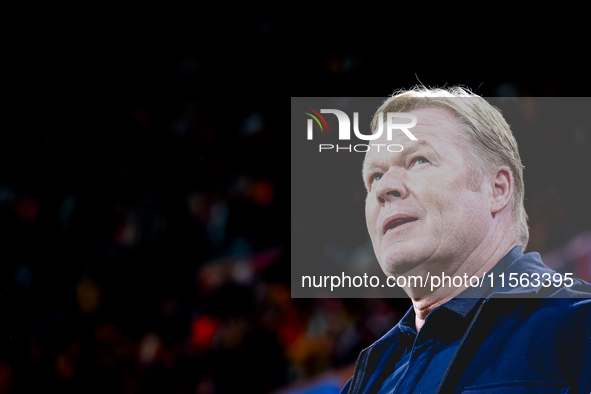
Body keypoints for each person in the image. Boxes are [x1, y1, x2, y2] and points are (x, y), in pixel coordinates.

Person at [340, 87, 591, 394]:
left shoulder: (579, 325)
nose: (383, 189)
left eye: (419, 160)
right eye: (375, 176)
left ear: (497, 189)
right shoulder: (368, 381)